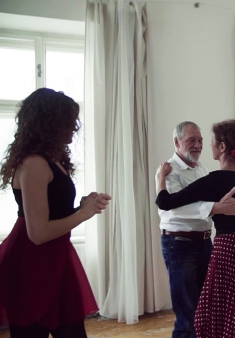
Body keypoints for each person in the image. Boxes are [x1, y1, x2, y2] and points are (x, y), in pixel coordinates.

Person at [0, 88, 111, 338]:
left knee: (71, 329)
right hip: (31, 263)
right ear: (49, 122)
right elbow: (38, 233)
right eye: (69, 120)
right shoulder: (34, 164)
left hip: (54, 257)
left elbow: (52, 214)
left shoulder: (52, 160)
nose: (74, 126)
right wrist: (84, 213)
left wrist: (81, 206)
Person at [156, 119, 235, 338]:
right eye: (193, 140)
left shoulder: (212, 177)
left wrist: (159, 180)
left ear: (222, 147)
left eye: (206, 141)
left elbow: (165, 202)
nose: (204, 145)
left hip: (228, 246)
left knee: (218, 305)